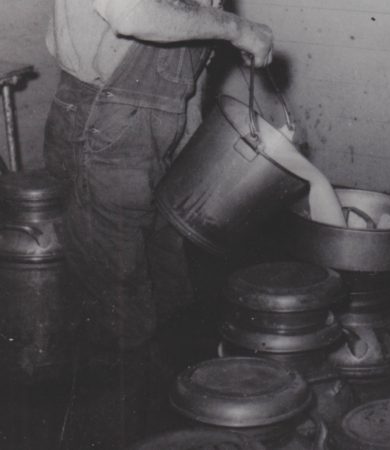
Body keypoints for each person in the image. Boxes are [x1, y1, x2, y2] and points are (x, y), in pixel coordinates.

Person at [44, 0, 274, 355]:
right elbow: (134, 14)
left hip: (162, 127)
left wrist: (188, 138)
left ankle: (165, 395)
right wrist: (238, 29)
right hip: (104, 122)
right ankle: (115, 398)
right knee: (118, 297)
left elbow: (187, 56)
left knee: (170, 280)